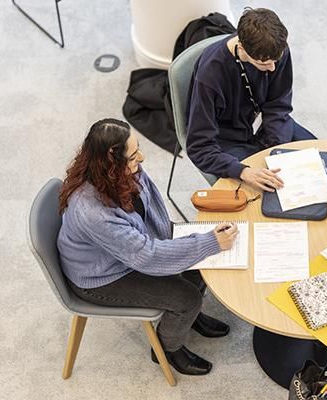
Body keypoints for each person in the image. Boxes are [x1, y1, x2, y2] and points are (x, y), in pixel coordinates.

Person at [57, 118, 239, 376]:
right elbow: (145, 256)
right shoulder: (93, 212)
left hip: (131, 248)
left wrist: (182, 241)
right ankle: (167, 349)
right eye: (133, 156)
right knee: (187, 298)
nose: (141, 158)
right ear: (111, 162)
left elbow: (153, 207)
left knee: (202, 263)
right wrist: (207, 242)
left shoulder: (124, 171)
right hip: (101, 276)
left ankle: (189, 318)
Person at [186, 7, 316, 192]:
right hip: (225, 138)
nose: (272, 68)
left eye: (275, 61)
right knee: (266, 193)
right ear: (241, 46)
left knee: (318, 160)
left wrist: (275, 148)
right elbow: (199, 146)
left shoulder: (276, 50)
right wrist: (242, 171)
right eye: (264, 63)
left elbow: (278, 106)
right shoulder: (210, 75)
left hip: (263, 125)